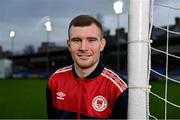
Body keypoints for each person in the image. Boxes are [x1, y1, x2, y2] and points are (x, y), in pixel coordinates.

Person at [46, 14, 128, 119]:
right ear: (69, 45)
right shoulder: (55, 81)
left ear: (102, 44)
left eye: (91, 40)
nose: (83, 48)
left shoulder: (118, 88)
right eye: (76, 40)